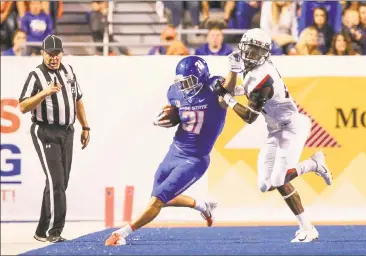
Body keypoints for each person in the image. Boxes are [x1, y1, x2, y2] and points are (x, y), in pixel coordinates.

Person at [212, 28, 333, 243]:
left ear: (266, 54)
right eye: (249, 49)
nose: (251, 55)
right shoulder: (254, 71)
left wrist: (227, 96)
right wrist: (231, 90)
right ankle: (314, 164)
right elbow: (251, 91)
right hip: (275, 130)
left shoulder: (263, 76)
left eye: (256, 51)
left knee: (279, 179)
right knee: (265, 185)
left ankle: (308, 228)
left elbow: (249, 117)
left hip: (291, 127)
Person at [105, 56, 228, 246]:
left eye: (189, 81)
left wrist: (235, 70)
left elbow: (231, 85)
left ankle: (122, 233)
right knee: (162, 197)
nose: (185, 87)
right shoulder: (174, 92)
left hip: (195, 159)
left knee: (158, 200)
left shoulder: (214, 89)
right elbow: (176, 112)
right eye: (182, 82)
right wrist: (165, 118)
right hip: (175, 150)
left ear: (202, 76)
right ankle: (203, 206)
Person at [18, 35, 90, 243]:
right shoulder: (36, 75)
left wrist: (85, 126)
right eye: (49, 54)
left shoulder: (68, 72)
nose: (53, 58)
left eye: (57, 53)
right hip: (45, 131)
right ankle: (54, 231)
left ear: (62, 53)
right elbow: (23, 106)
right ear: (42, 53)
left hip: (67, 131)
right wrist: (44, 93)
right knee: (56, 181)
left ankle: (42, 230)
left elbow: (78, 100)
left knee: (60, 181)